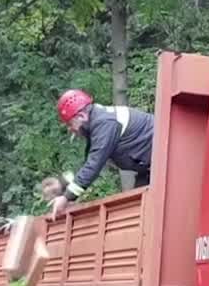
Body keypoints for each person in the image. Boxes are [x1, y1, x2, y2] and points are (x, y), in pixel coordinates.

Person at [42, 88, 155, 219]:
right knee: (138, 208)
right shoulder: (97, 121)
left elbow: (94, 164)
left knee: (142, 210)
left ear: (81, 116)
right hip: (149, 166)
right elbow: (88, 162)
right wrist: (65, 190)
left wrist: (67, 198)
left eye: (70, 124)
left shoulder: (104, 124)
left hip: (163, 159)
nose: (71, 130)